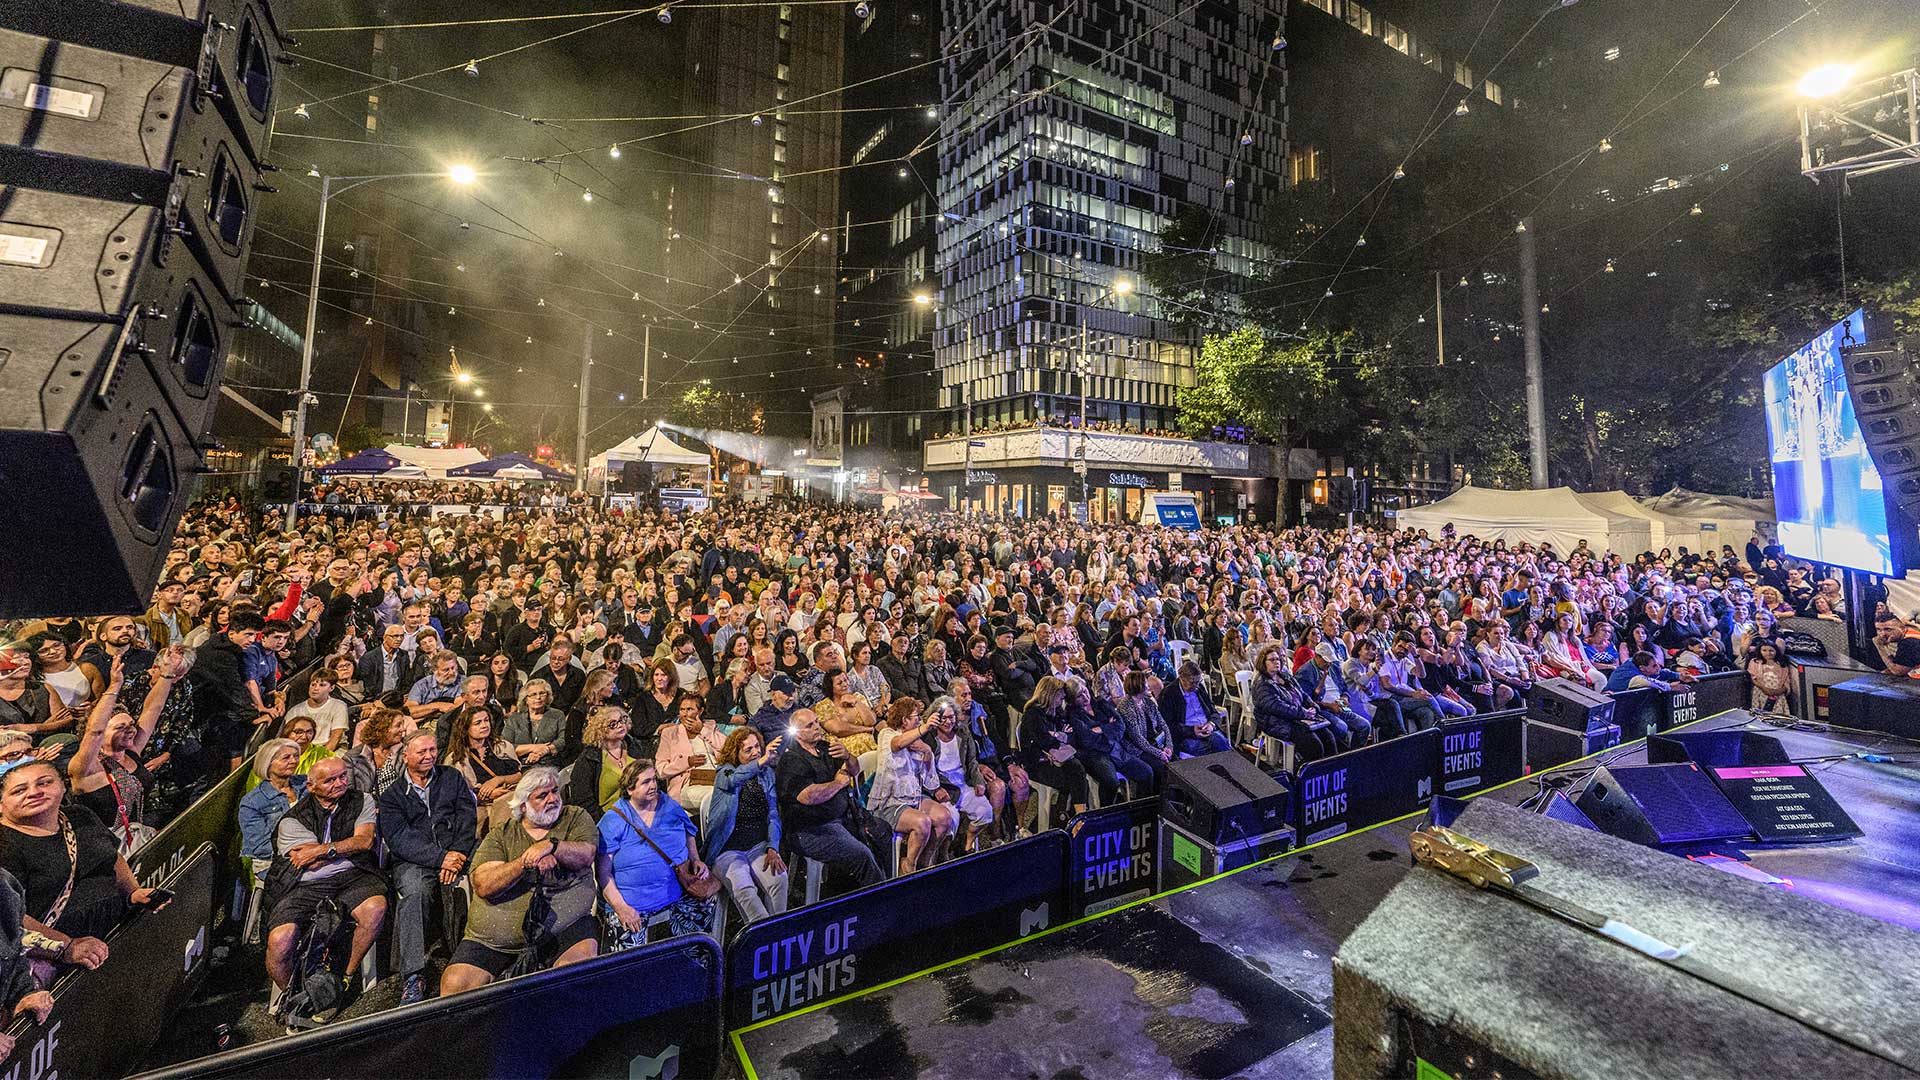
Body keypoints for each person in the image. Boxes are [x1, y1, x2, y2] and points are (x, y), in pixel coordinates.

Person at [440, 768, 599, 994]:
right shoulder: (501, 835)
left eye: (555, 791)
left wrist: (552, 846)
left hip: (563, 927)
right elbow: (484, 884)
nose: (553, 799)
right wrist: (524, 863)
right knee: (455, 985)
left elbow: (586, 854)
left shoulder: (574, 817)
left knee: (573, 976)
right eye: (542, 796)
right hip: (494, 938)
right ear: (523, 805)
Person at [0, 761, 164, 973]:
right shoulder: (4, 844)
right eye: (19, 790)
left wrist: (133, 892)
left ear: (62, 786)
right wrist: (66, 946)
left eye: (44, 783)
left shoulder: (79, 815)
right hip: (63, 961)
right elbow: (9, 916)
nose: (34, 792)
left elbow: (112, 858)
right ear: (2, 803)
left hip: (111, 933)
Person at [263, 757, 386, 1007]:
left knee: (375, 908)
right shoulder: (293, 819)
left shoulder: (362, 799)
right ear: (311, 786)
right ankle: (297, 996)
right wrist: (341, 848)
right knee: (280, 940)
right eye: (330, 780)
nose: (339, 783)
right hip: (305, 884)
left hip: (354, 874)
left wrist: (322, 849)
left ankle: (345, 977)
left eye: (342, 776)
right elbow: (310, 864)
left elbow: (363, 842)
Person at [376, 731, 478, 1005]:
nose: (429, 756)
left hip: (457, 851)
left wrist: (456, 852)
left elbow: (467, 818)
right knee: (414, 892)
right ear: (406, 756)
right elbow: (399, 839)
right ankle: (413, 975)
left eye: (432, 750)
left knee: (485, 876)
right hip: (416, 860)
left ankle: (479, 955)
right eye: (421, 752)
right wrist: (440, 858)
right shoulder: (392, 796)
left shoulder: (451, 778)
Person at [69, 650, 180, 851]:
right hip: (101, 849)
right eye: (120, 727)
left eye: (130, 724)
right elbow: (94, 731)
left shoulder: (130, 751)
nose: (130, 730)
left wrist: (167, 674)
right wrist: (114, 686)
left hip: (135, 840)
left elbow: (153, 709)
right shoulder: (86, 767)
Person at [596, 760, 716, 945]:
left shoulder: (668, 805)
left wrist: (695, 859)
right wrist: (621, 908)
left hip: (678, 893)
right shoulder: (613, 820)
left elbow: (688, 831)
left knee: (701, 943)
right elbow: (603, 873)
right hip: (632, 905)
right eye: (645, 782)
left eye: (654, 779)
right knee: (630, 963)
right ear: (630, 789)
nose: (653, 786)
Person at [775, 708, 883, 892]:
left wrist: (847, 756)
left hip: (842, 817)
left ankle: (885, 885)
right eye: (810, 725)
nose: (817, 727)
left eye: (817, 722)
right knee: (862, 855)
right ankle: (879, 900)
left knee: (882, 834)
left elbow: (854, 770)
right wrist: (838, 783)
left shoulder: (825, 747)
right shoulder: (791, 760)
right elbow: (809, 796)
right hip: (811, 828)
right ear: (798, 732)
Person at [703, 728, 788, 924]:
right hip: (728, 850)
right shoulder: (724, 773)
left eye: (757, 746)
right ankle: (763, 940)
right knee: (745, 889)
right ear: (736, 754)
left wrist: (773, 847)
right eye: (748, 750)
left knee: (779, 879)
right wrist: (762, 761)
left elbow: (774, 814)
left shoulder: (766, 774)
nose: (756, 752)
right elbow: (736, 778)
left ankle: (779, 934)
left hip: (757, 846)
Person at [867, 698, 957, 872]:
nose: (919, 720)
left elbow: (931, 783)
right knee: (922, 822)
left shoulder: (919, 742)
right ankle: (909, 865)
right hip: (890, 802)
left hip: (914, 797)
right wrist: (924, 728)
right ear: (904, 720)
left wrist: (927, 752)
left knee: (944, 817)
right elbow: (898, 743)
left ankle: (925, 861)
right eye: (916, 716)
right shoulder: (887, 734)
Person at [1252, 643, 1342, 762]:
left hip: (1298, 718)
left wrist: (1313, 706)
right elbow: (1277, 707)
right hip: (1278, 722)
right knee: (1314, 745)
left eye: (1278, 659)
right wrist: (1303, 713)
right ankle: (1310, 776)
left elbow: (1303, 694)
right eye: (1272, 660)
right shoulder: (1262, 684)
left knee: (1329, 737)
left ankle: (1330, 773)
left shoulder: (1284, 676)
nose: (1277, 662)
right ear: (1263, 663)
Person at [1018, 677, 1092, 822]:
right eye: (1060, 696)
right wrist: (1058, 737)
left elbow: (1070, 736)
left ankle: (1074, 818)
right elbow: (1045, 741)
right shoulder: (1032, 714)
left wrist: (1057, 735)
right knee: (1076, 780)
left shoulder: (1056, 712)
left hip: (1056, 758)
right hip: (1038, 762)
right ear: (1050, 694)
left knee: (1078, 772)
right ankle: (1074, 819)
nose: (1062, 699)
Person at [443, 706, 521, 835]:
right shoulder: (455, 758)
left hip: (508, 798)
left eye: (486, 720)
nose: (484, 725)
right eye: (478, 723)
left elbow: (518, 775)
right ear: (466, 729)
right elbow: (453, 793)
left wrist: (499, 779)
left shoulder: (503, 746)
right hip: (478, 805)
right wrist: (485, 795)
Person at [563, 706, 646, 819]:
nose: (620, 725)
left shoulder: (635, 747)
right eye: (613, 724)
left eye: (622, 720)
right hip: (606, 817)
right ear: (600, 730)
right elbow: (583, 800)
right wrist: (607, 821)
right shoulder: (589, 758)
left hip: (641, 812)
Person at [655, 693, 726, 814]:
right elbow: (660, 770)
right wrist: (687, 762)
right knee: (718, 797)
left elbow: (727, 749)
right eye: (682, 709)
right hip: (687, 784)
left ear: (701, 711)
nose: (685, 713)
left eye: (690, 709)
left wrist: (702, 730)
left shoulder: (710, 727)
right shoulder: (670, 733)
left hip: (715, 779)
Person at [239, 738, 304, 863]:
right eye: (286, 758)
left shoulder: (306, 784)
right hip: (273, 862)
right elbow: (260, 846)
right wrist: (299, 852)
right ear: (268, 763)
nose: (293, 761)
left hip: (312, 851)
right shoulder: (252, 802)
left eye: (296, 756)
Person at [1155, 662, 1232, 757]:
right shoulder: (1168, 694)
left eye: (1198, 682)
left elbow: (1214, 712)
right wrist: (1192, 731)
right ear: (1181, 678)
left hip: (1207, 729)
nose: (1195, 686)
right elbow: (1167, 725)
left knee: (1219, 741)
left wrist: (1211, 724)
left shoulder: (1199, 688)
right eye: (1192, 682)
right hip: (1186, 734)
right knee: (1197, 747)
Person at [285, 670, 351, 752]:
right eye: (313, 685)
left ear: (331, 688)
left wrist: (319, 758)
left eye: (322, 685)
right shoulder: (295, 710)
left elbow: (336, 737)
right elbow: (287, 737)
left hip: (333, 749)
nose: (315, 688)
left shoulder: (338, 706)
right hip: (304, 750)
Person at [1747, 641, 1794, 715]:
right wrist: (1765, 689)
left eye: (1771, 650)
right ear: (1760, 651)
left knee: (1777, 717)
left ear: (1776, 651)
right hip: (1761, 693)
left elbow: (1786, 682)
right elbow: (1753, 679)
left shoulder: (1782, 665)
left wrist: (1777, 692)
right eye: (1764, 650)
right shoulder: (1755, 662)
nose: (1768, 653)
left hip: (1777, 695)